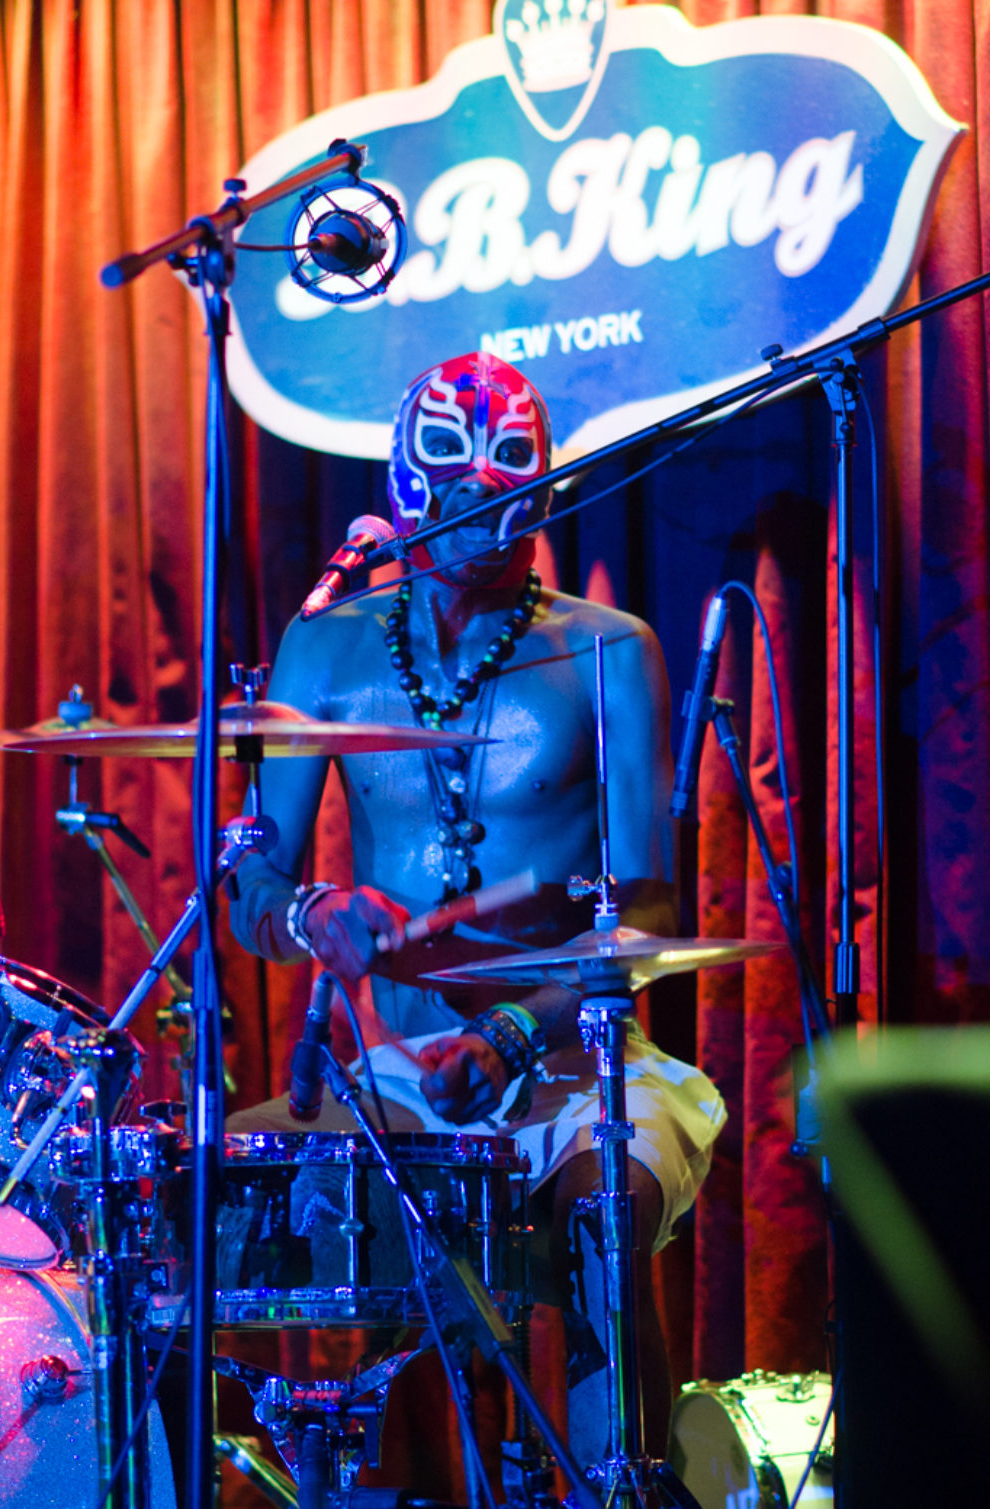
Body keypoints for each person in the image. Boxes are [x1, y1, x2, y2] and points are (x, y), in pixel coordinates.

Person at [228, 351, 725, 1465]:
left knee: (601, 1218)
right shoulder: (326, 645)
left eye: (509, 468)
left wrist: (508, 1032)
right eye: (451, 466)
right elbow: (251, 886)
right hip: (399, 1075)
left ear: (545, 486)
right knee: (199, 1214)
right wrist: (314, 913)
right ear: (405, 482)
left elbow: (649, 907)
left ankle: (628, 1486)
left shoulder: (608, 648)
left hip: (578, 1062)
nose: (480, 496)